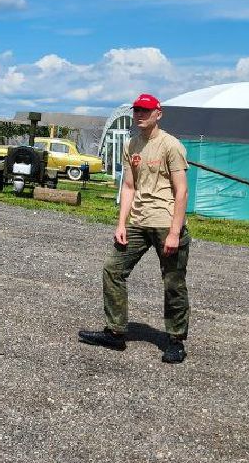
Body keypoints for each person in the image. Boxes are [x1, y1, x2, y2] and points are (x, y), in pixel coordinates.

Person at [79, 92, 191, 363]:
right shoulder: (131, 145)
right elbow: (128, 187)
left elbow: (182, 190)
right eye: (137, 110)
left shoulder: (171, 145)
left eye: (145, 110)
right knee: (113, 269)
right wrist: (121, 224)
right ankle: (115, 332)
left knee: (173, 282)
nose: (140, 115)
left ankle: (175, 340)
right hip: (138, 223)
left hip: (165, 223)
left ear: (158, 113)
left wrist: (175, 232)